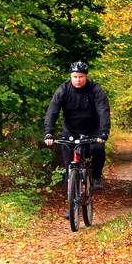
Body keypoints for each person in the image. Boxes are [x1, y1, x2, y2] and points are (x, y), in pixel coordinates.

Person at [43, 61, 111, 190]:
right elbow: (52, 110)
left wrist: (104, 131)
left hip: (92, 128)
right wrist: (48, 132)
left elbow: (103, 111)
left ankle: (96, 176)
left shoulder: (95, 89)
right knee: (68, 166)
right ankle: (71, 203)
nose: (78, 80)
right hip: (70, 130)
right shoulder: (63, 89)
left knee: (98, 149)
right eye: (75, 77)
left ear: (86, 76)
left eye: (81, 77)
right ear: (71, 76)